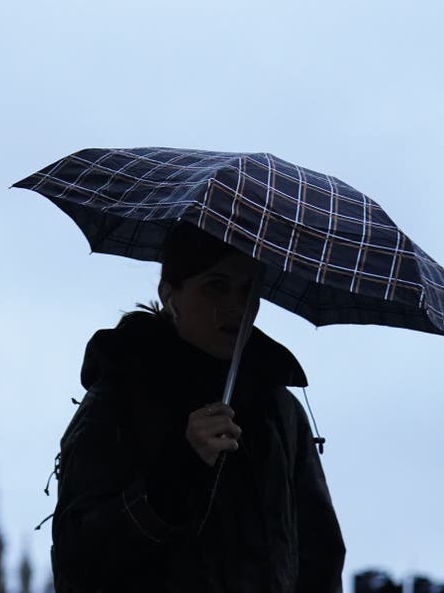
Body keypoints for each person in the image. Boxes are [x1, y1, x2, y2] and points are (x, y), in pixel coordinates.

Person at [51, 223, 345, 592]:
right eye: (216, 286)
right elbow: (77, 558)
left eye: (248, 289)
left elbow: (319, 557)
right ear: (171, 294)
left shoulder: (279, 413)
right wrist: (178, 472)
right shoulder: (120, 398)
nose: (235, 307)